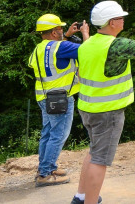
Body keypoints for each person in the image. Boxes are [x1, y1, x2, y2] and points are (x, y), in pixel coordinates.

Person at [71, 1, 135, 204]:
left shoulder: (87, 45)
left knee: (94, 152)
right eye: (120, 18)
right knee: (100, 160)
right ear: (112, 23)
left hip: (88, 108)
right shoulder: (115, 45)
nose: (123, 20)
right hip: (107, 112)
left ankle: (81, 196)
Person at [29, 14, 89, 187]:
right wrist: (85, 33)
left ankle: (47, 167)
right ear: (55, 32)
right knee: (58, 135)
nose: (63, 31)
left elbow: (55, 54)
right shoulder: (61, 47)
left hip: (44, 97)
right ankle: (45, 174)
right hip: (60, 98)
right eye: (61, 29)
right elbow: (89, 51)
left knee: (47, 134)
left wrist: (68, 35)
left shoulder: (38, 49)